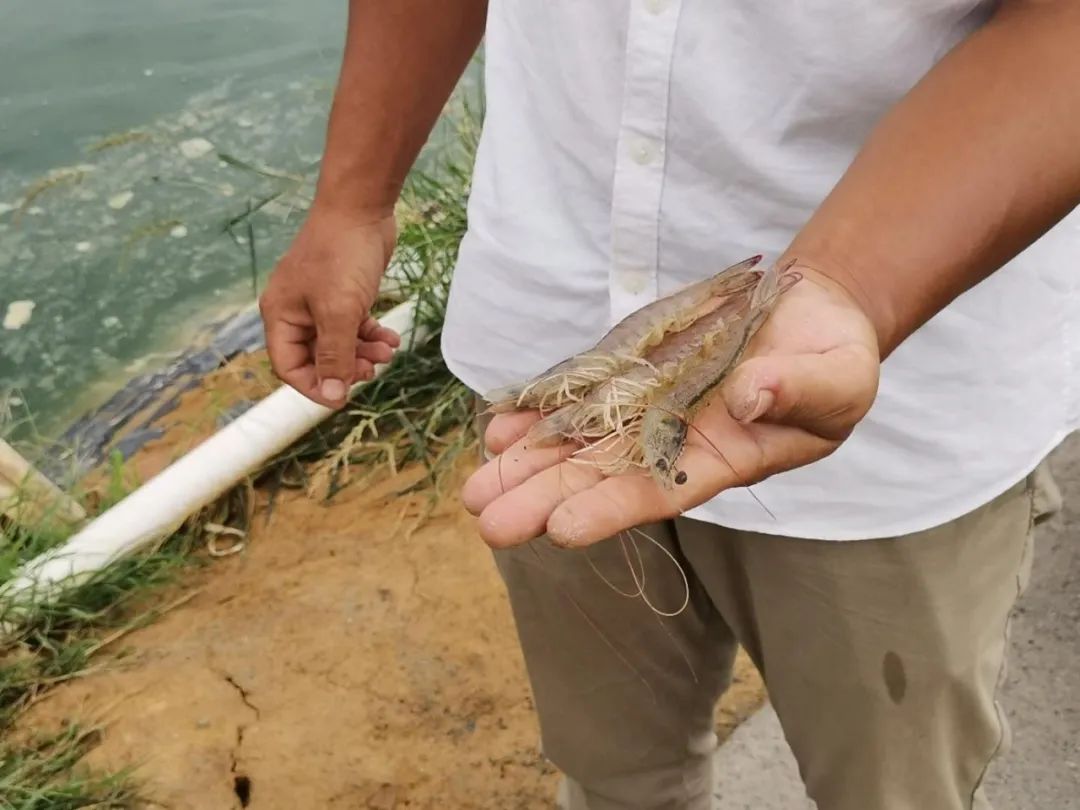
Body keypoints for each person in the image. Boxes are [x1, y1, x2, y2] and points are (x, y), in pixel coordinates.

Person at [258, 2, 1080, 808]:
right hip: (544, 312)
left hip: (911, 406)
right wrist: (353, 200)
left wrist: (855, 286)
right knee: (611, 774)